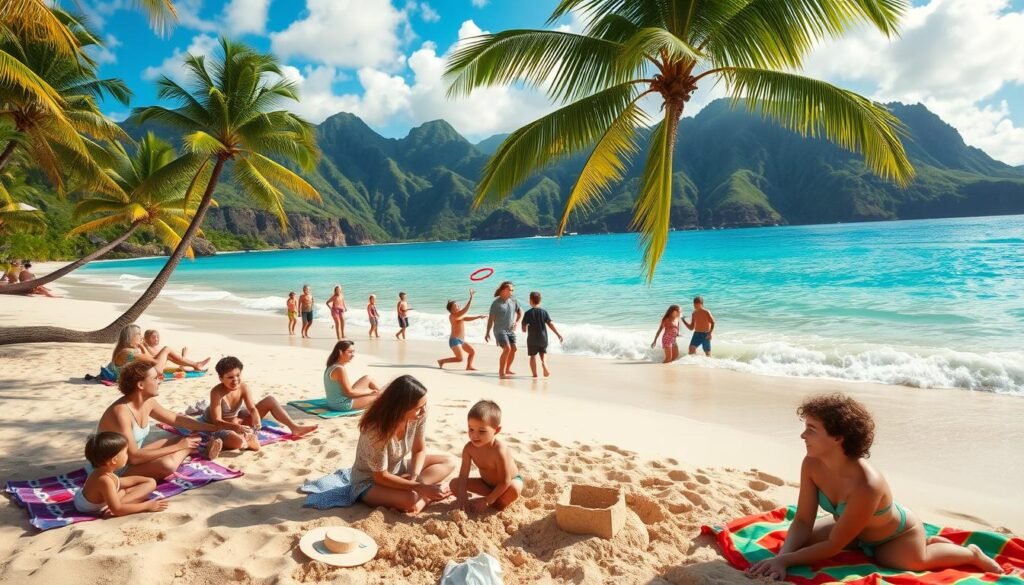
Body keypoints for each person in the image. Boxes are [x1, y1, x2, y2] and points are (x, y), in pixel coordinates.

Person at [747, 393, 1004, 581]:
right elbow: (803, 520)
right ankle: (928, 543)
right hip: (850, 528)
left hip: (894, 535)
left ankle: (970, 554)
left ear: (838, 437)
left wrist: (784, 561)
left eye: (811, 429)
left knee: (904, 561)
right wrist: (781, 557)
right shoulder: (811, 463)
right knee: (802, 544)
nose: (803, 436)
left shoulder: (867, 484)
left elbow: (835, 545)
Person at [95, 361, 221, 479]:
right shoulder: (121, 412)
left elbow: (177, 420)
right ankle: (190, 450)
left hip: (132, 456)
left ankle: (192, 449)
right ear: (140, 385)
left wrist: (214, 427)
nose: (160, 381)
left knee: (186, 438)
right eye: (155, 378)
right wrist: (178, 447)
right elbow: (134, 458)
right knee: (167, 465)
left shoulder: (148, 402)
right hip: (114, 469)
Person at [348, 375, 455, 513]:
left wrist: (415, 478)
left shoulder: (418, 416)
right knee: (410, 499)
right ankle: (427, 498)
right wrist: (418, 487)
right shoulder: (375, 431)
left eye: (424, 405)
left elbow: (419, 449)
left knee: (449, 461)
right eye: (419, 407)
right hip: (370, 482)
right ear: (401, 408)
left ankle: (423, 493)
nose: (423, 411)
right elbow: (380, 476)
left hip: (398, 468)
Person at [201, 356, 318, 458]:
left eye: (238, 375)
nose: (235, 380)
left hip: (236, 423)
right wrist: (237, 428)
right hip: (218, 427)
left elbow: (252, 408)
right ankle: (218, 443)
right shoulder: (216, 392)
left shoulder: (243, 387)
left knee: (270, 400)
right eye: (230, 377)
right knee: (237, 442)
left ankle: (295, 427)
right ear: (221, 378)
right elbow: (217, 421)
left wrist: (256, 419)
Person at [453, 400, 523, 513]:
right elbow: (463, 474)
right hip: (486, 485)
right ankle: (493, 499)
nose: (474, 435)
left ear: (497, 430)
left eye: (481, 431)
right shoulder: (469, 449)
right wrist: (461, 493)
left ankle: (495, 501)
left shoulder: (499, 450)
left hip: (508, 483)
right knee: (454, 484)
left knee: (514, 489)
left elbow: (505, 481)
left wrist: (487, 501)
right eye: (471, 429)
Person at [75, 431, 167, 516]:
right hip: (88, 507)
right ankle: (109, 508)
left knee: (150, 482)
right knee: (125, 494)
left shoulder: (104, 471)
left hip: (92, 496)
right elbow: (117, 510)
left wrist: (146, 480)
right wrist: (147, 506)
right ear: (115, 460)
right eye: (126, 453)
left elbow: (128, 481)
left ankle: (116, 504)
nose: (128, 455)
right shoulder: (104, 480)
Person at [324, 341, 381, 411]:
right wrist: (369, 392)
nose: (353, 355)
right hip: (342, 405)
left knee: (367, 378)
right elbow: (349, 393)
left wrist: (368, 392)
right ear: (340, 352)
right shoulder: (339, 369)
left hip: (334, 402)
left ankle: (380, 394)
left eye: (353, 352)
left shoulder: (332, 365)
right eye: (350, 352)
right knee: (379, 396)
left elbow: (347, 391)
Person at [438, 289, 485, 371]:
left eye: (458, 305)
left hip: (461, 340)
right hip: (454, 340)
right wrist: (471, 299)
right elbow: (465, 311)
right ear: (452, 310)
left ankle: (469, 366)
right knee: (460, 359)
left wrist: (477, 317)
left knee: (472, 352)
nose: (458, 307)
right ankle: (442, 361)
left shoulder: (458, 316)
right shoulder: (453, 316)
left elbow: (466, 318)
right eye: (456, 306)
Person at [521, 291, 563, 377]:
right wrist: (558, 334)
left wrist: (524, 329)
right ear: (540, 301)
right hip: (542, 338)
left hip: (532, 339)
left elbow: (523, 326)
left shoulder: (527, 313)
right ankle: (544, 364)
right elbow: (550, 324)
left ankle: (534, 374)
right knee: (543, 354)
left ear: (530, 301)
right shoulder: (544, 312)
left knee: (532, 357)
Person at [484, 281, 522, 378]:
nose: (512, 292)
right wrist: (487, 332)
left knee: (514, 349)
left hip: (510, 330)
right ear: (503, 290)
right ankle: (501, 372)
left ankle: (507, 369)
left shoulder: (513, 300)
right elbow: (491, 319)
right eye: (510, 290)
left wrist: (517, 322)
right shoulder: (495, 304)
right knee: (507, 348)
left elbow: (520, 312)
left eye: (512, 290)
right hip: (499, 330)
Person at [142, 329, 210, 371]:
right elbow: (154, 357)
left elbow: (174, 358)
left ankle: (193, 364)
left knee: (169, 354)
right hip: (155, 368)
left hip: (160, 366)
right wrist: (184, 356)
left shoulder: (157, 347)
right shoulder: (146, 346)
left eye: (157, 337)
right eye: (153, 337)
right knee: (167, 352)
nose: (156, 339)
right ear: (147, 338)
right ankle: (195, 364)